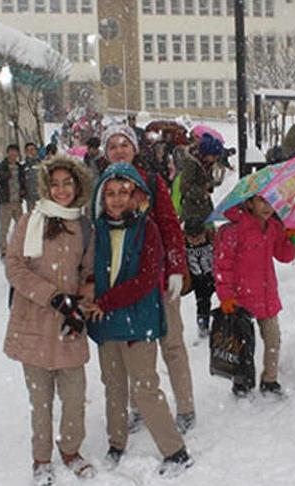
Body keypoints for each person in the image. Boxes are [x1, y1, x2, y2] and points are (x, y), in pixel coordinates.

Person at [85, 163, 194, 478]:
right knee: (114, 385)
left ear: (136, 196)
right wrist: (90, 294)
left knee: (145, 388)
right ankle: (116, 442)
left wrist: (105, 302)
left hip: (138, 321)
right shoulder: (98, 230)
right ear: (101, 197)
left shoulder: (149, 230)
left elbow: (146, 280)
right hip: (106, 323)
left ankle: (175, 450)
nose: (117, 200)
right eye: (110, 194)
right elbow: (90, 270)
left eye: (124, 193)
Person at [3, 155, 96, 486]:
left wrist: (80, 307)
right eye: (54, 184)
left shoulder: (84, 226)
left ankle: (71, 450)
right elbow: (14, 267)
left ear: (77, 186)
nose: (60, 190)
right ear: (46, 187)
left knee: (74, 396)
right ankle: (41, 459)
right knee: (39, 401)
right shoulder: (30, 221)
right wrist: (53, 296)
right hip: (33, 322)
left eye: (67, 183)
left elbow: (89, 273)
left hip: (68, 324)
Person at [101, 125, 197, 434]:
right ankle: (140, 406)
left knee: (172, 345)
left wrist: (176, 268)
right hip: (126, 284)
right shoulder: (103, 187)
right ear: (106, 152)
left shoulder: (153, 182)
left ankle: (185, 406)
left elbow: (170, 227)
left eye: (123, 144)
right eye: (112, 145)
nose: (119, 149)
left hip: (158, 279)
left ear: (134, 148)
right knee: (132, 348)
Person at [213, 194, 295, 398]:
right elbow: (222, 265)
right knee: (244, 344)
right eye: (262, 201)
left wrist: (292, 237)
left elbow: (284, 255)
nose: (268, 207)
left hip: (266, 295)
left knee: (273, 339)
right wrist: (225, 296)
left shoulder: (272, 227)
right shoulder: (234, 230)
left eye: (272, 202)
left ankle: (269, 380)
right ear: (249, 203)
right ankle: (242, 381)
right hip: (240, 298)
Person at [180, 134, 223, 338]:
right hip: (194, 220)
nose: (215, 159)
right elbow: (185, 188)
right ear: (206, 153)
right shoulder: (192, 165)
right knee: (202, 276)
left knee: (211, 270)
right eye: (214, 155)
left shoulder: (201, 164)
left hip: (203, 215)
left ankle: (207, 313)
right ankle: (203, 320)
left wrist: (209, 186)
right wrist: (203, 191)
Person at [0, 144, 28, 257]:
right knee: (4, 227)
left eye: (15, 153)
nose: (13, 155)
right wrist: (5, 175)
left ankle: (18, 247)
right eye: (11, 152)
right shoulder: (2, 166)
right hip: (5, 202)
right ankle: (3, 250)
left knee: (21, 226)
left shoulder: (19, 167)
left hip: (17, 202)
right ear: (7, 153)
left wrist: (23, 191)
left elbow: (23, 182)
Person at [23, 141, 42, 210]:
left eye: (32, 149)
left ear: (36, 151)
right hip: (30, 200)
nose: (30, 152)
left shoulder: (42, 164)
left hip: (41, 199)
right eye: (27, 150)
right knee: (32, 219)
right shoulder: (23, 166)